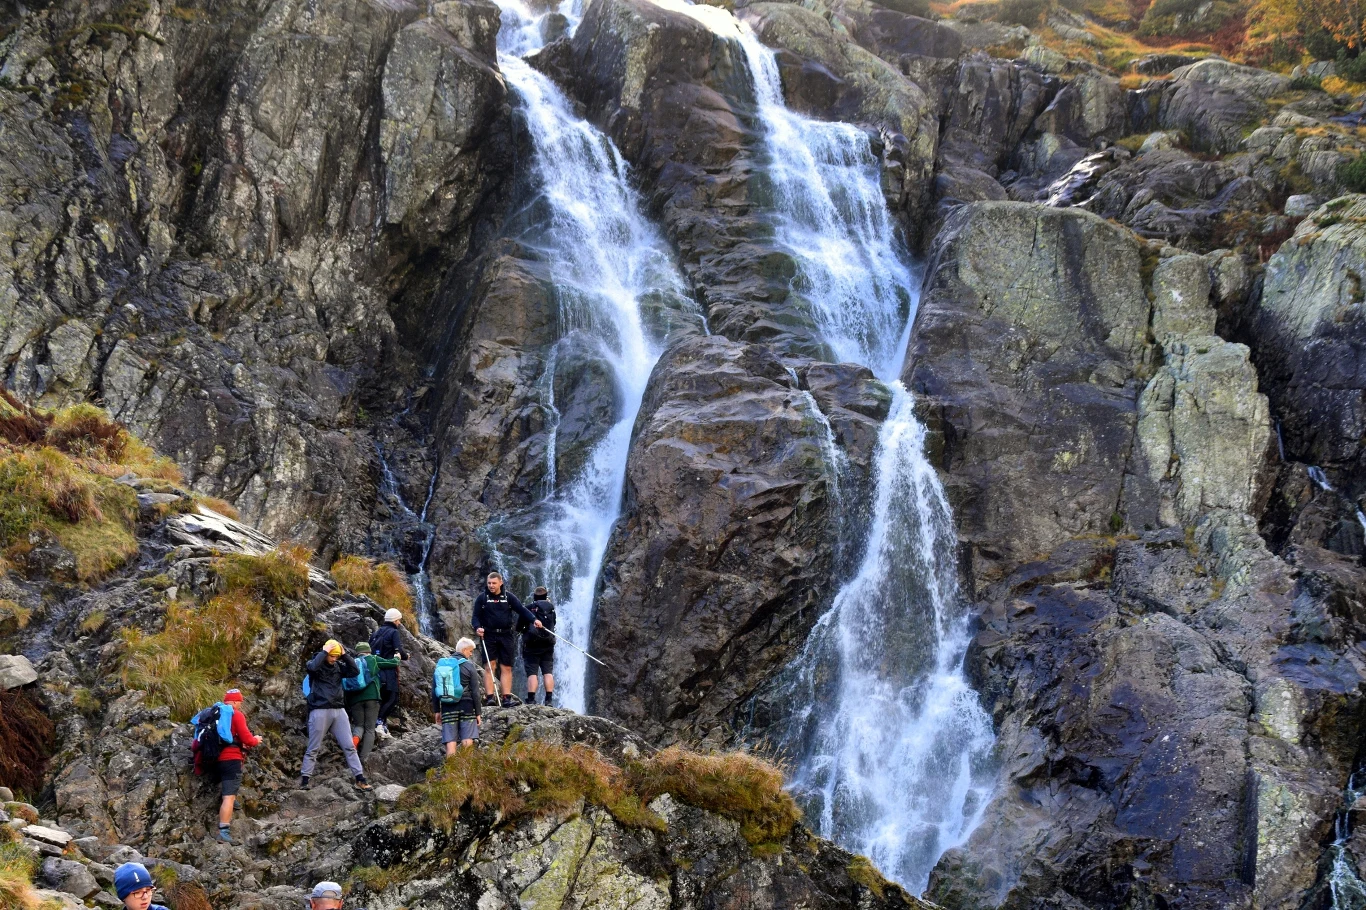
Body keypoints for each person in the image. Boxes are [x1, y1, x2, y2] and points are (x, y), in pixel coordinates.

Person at [301, 639, 373, 791]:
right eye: (331, 656)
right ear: (326, 652)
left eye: (336, 656)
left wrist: (344, 654)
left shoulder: (339, 666)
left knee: (349, 747)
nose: (334, 659)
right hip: (319, 710)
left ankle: (360, 778)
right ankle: (305, 781)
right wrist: (325, 651)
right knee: (313, 747)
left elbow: (355, 671)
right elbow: (313, 668)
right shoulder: (314, 664)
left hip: (339, 710)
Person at [472, 571, 540, 707]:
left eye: (494, 583)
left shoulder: (509, 597)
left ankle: (506, 698)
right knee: (489, 666)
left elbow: (521, 610)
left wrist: (534, 620)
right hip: (488, 635)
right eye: (489, 583)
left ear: (500, 583)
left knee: (506, 667)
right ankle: (490, 697)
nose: (491, 586)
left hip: (506, 635)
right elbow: (475, 617)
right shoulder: (482, 598)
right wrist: (477, 627)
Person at [215, 688, 260, 843]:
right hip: (231, 759)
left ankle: (231, 801)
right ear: (234, 701)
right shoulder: (236, 714)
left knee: (227, 790)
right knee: (229, 797)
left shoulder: (216, 713)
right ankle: (224, 831)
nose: (241, 704)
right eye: (240, 701)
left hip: (214, 759)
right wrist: (256, 740)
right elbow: (247, 739)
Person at [345, 641, 399, 763]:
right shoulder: (373, 659)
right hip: (372, 697)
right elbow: (392, 663)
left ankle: (353, 745)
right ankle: (364, 758)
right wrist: (397, 657)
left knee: (359, 725)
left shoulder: (352, 663)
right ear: (369, 651)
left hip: (354, 699)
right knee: (370, 728)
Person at [432, 638, 483, 754]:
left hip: (447, 706)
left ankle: (451, 770)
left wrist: (437, 711)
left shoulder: (442, 665)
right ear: (464, 650)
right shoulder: (469, 666)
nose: (471, 654)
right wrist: (478, 713)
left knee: (450, 740)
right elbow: (475, 691)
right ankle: (465, 769)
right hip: (466, 706)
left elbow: (434, 690)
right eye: (470, 651)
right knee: (467, 738)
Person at [368, 608, 406, 739]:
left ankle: (383, 726)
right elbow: (398, 650)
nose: (399, 623)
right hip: (389, 670)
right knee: (393, 698)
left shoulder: (376, 633)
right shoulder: (394, 632)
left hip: (377, 671)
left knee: (383, 698)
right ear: (395, 620)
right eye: (399, 620)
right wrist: (406, 656)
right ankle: (379, 723)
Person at [522, 587, 557, 706]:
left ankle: (531, 699)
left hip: (531, 645)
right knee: (548, 672)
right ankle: (549, 700)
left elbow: (519, 627)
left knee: (532, 673)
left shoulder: (528, 608)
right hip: (547, 644)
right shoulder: (551, 609)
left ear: (534, 596)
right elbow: (554, 624)